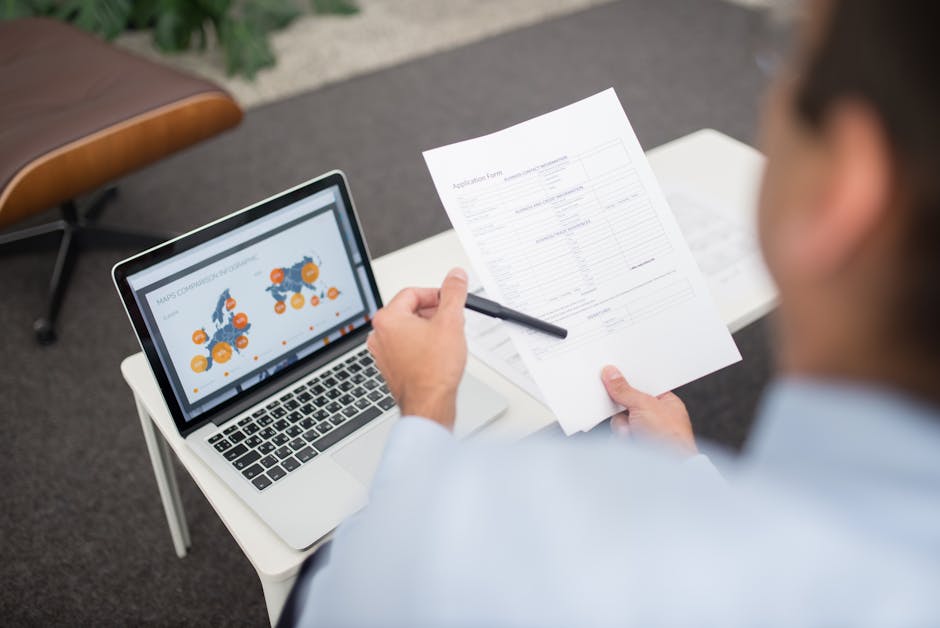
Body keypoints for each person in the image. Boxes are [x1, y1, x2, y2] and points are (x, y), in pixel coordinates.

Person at [288, 0, 940, 625]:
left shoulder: (482, 538)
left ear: (846, 192)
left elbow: (358, 589)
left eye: (790, 59)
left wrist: (424, 402)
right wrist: (688, 473)